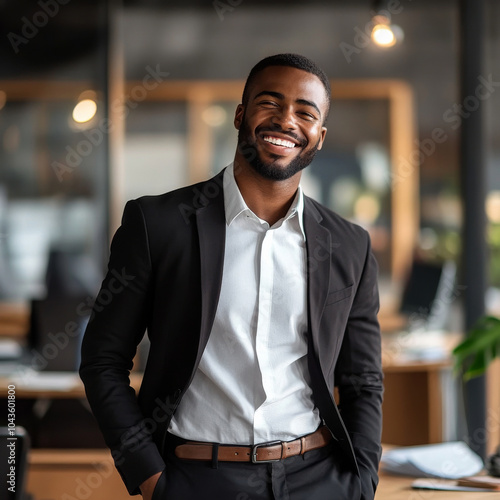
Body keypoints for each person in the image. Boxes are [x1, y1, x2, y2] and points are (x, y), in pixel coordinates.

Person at [80, 53, 383, 500]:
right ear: (241, 114)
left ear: (319, 135)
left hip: (318, 479)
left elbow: (363, 380)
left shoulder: (350, 245)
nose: (286, 120)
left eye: (305, 112)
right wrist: (152, 480)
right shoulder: (158, 224)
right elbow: (102, 362)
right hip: (196, 479)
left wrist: (361, 482)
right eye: (270, 102)